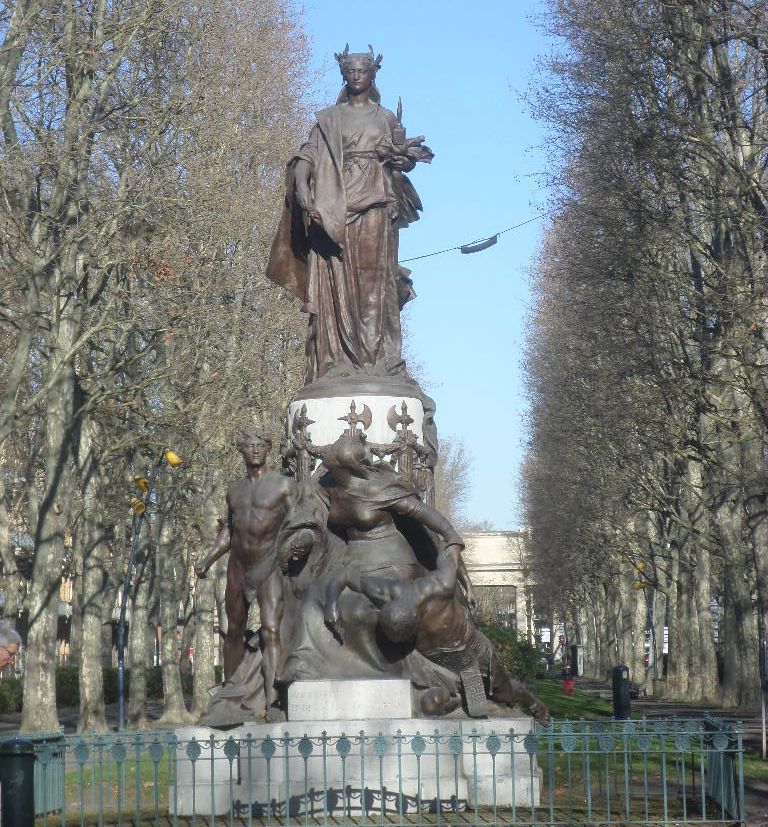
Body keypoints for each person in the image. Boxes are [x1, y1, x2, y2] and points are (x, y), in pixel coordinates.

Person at [266, 46, 433, 383]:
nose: (356, 75)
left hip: (376, 201)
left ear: (373, 74)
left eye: (363, 70)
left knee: (375, 279)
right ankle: (337, 359)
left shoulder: (386, 118)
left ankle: (378, 359)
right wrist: (301, 186)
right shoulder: (329, 119)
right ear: (344, 73)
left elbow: (403, 156)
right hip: (335, 206)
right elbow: (307, 156)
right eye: (351, 70)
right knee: (336, 281)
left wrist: (405, 160)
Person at [324, 543, 550, 724]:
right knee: (440, 706)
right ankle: (466, 698)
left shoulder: (439, 585)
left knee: (502, 696)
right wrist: (331, 604)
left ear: (415, 620)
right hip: (435, 664)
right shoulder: (389, 593)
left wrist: (468, 584)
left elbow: (451, 550)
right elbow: (345, 575)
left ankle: (532, 702)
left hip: (471, 655)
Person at [195, 426, 296, 715]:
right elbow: (229, 531)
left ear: (268, 449)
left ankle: (274, 699)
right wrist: (208, 558)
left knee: (271, 630)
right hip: (238, 566)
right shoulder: (234, 491)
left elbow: (297, 525)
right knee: (234, 630)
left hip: (270, 564)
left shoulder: (283, 486)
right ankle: (230, 697)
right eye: (249, 445)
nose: (255, 450)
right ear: (241, 450)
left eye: (260, 445)